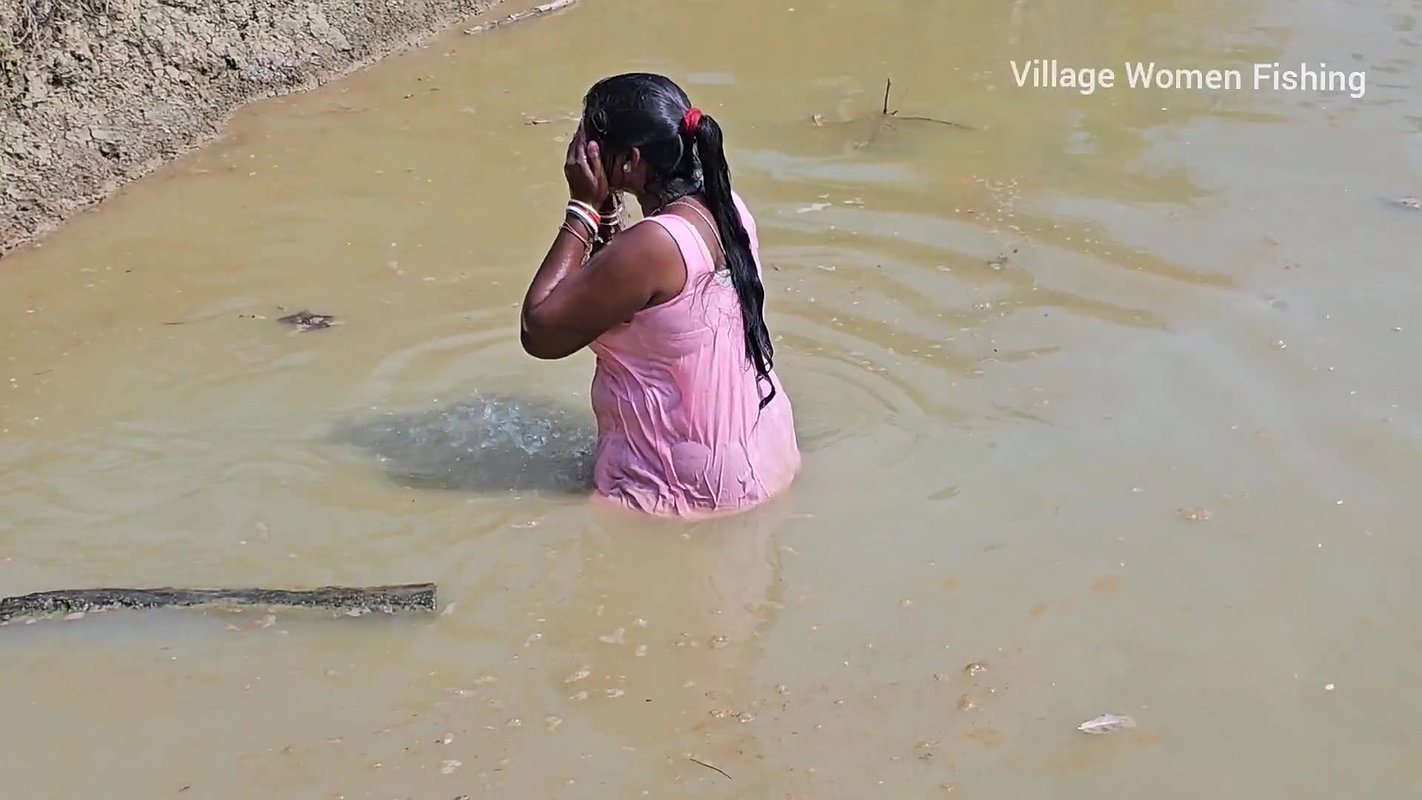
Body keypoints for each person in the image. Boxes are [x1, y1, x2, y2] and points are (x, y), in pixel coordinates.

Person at [519, 72, 800, 518]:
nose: (579, 153)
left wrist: (582, 208)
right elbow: (630, 288)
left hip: (686, 489)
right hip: (765, 450)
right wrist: (609, 216)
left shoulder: (653, 246)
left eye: (590, 141)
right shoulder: (725, 207)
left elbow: (540, 330)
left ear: (629, 160)